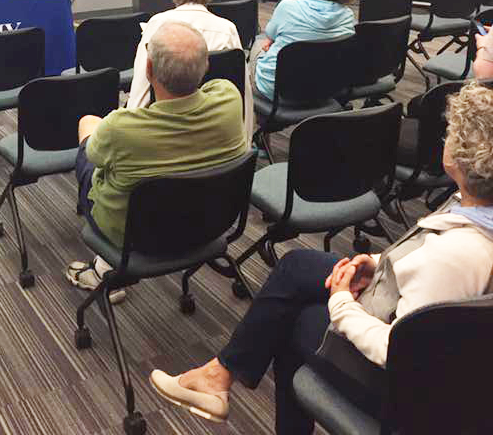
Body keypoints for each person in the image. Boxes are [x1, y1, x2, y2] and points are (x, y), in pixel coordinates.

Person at [149, 81, 493, 434]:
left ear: (464, 157)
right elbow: (428, 270)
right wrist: (379, 263)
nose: (444, 139)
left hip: (405, 393)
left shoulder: (456, 255)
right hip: (414, 309)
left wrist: (342, 304)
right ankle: (217, 376)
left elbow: (401, 353)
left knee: (294, 322)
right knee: (297, 266)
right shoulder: (472, 209)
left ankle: (218, 380)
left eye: (451, 133)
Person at [66, 22, 247, 300]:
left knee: (88, 130)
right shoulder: (229, 97)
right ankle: (103, 266)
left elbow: (94, 156)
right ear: (206, 67)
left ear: (148, 70)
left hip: (135, 236)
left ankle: (103, 270)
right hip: (210, 221)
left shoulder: (121, 128)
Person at [127, 0, 253, 142]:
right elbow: (243, 93)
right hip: (214, 131)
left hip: (165, 132)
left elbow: (140, 94)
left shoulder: (156, 25)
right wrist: (245, 142)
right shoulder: (227, 29)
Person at [253, 0, 356, 100]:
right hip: (325, 90)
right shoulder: (348, 16)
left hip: (279, 93)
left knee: (258, 44)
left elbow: (270, 35)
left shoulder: (288, 7)